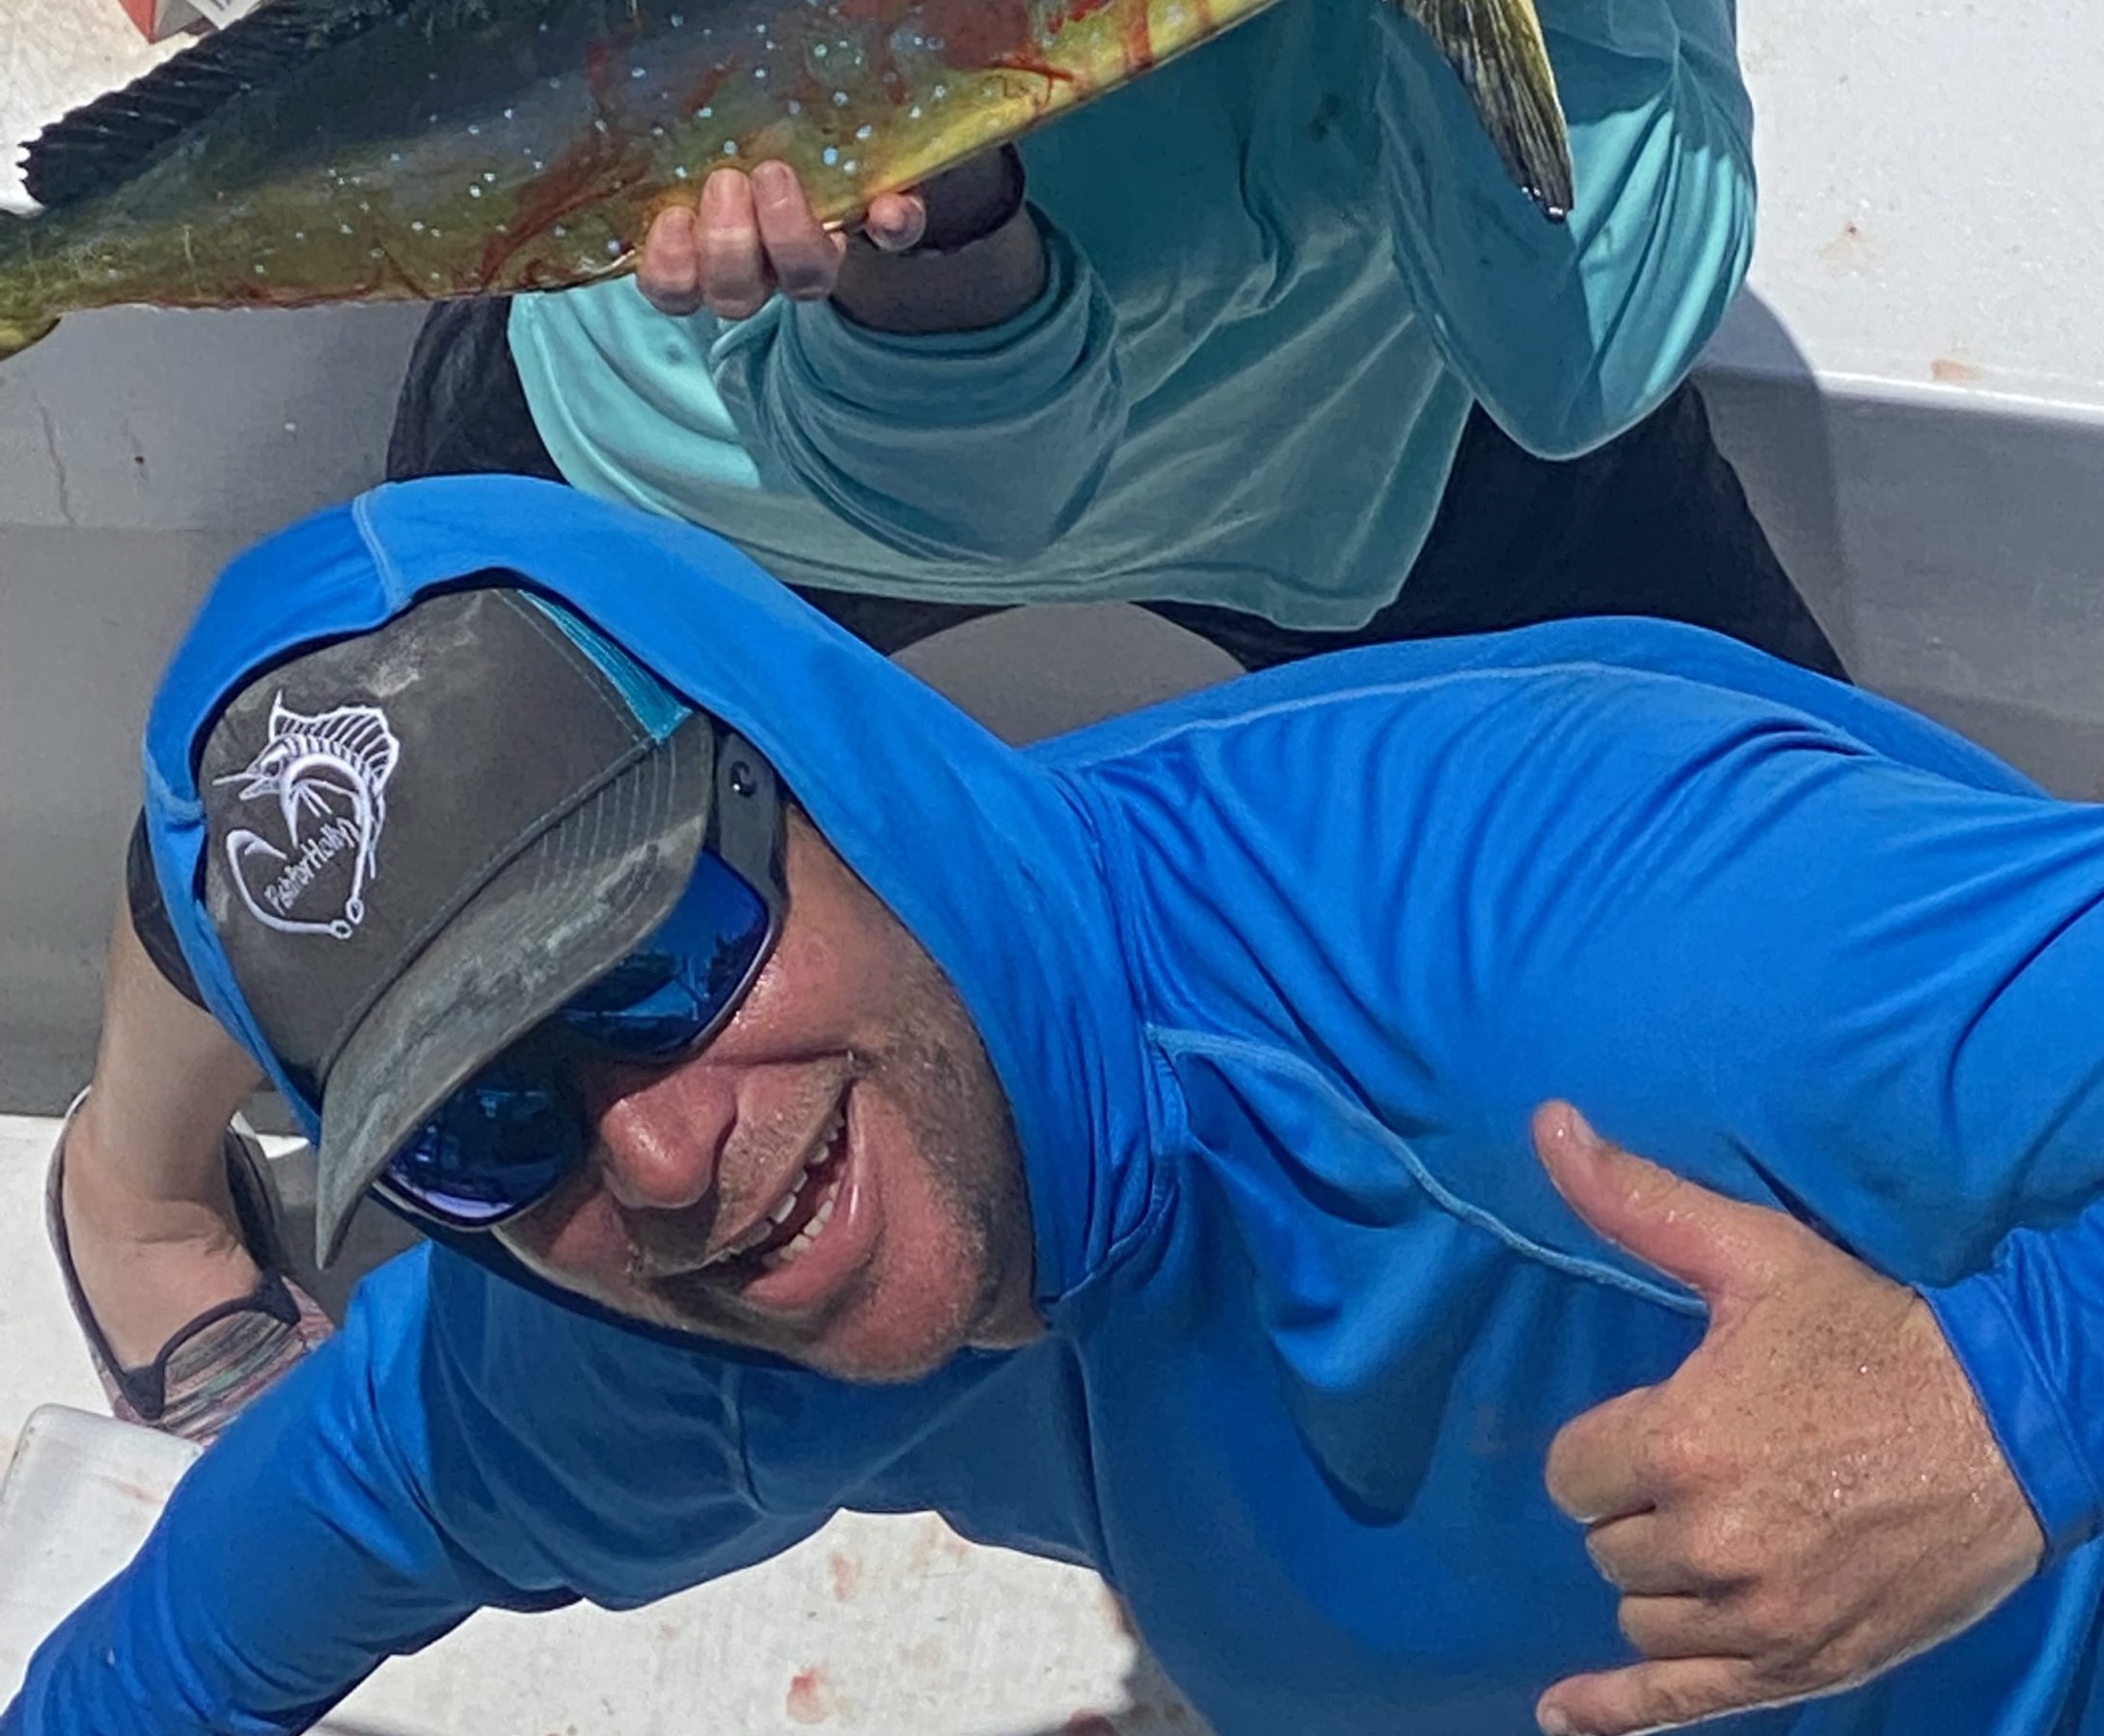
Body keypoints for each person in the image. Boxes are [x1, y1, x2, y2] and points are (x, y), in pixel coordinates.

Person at [13, 475, 2104, 1736]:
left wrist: (2026, 1395)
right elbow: (207, 1629)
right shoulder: (620, 1326)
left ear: (841, 764)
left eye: (667, 955)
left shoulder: (1575, 955)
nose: (652, 1147)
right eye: (484, 1124)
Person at [53, 0, 1841, 1445]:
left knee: (1780, 841)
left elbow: (1581, 354)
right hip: (734, 416)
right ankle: (134, 1187)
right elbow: (970, 483)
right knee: (355, 823)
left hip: (1358, 415)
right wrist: (941, 249)